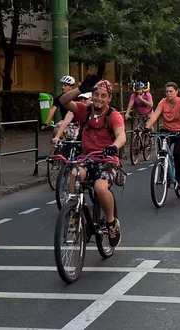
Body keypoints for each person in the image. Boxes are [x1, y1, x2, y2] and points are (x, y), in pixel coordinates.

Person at [60, 76, 126, 247]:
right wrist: (80, 89)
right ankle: (75, 214)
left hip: (108, 158)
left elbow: (121, 135)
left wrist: (114, 146)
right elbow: (63, 101)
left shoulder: (113, 115)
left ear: (109, 98)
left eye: (103, 96)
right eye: (96, 94)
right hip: (88, 157)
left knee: (100, 187)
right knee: (74, 174)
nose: (98, 98)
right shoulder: (84, 110)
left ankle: (112, 222)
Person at [145, 82, 180, 190]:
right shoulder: (162, 102)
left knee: (178, 153)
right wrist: (147, 127)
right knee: (162, 152)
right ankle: (163, 170)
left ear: (176, 92)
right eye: (166, 92)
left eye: (171, 91)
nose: (168, 93)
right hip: (166, 130)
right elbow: (155, 115)